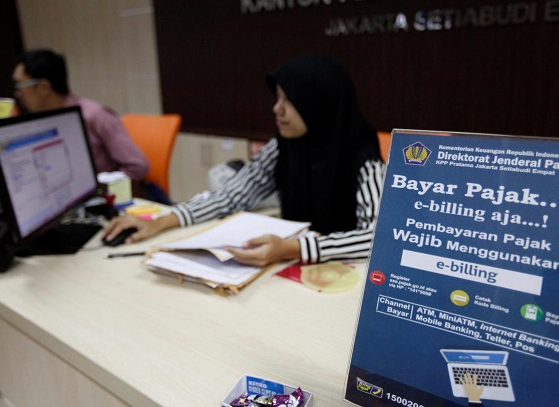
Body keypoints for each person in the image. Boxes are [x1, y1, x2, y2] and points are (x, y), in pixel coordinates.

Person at [104, 54, 385, 266]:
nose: (277, 109)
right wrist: (165, 220)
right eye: (277, 98)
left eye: (290, 101)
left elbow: (378, 237)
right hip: (286, 268)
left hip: (342, 276)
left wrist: (296, 249)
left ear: (319, 104)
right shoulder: (284, 145)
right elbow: (231, 196)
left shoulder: (363, 157)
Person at [12, 49, 149, 180]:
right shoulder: (39, 120)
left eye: (19, 86)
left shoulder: (94, 115)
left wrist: (101, 188)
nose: (17, 94)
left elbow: (137, 166)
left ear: (43, 88)